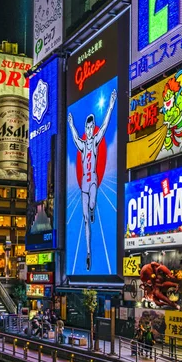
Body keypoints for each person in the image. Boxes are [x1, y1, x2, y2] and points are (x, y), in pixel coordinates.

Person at [67, 89, 117, 270]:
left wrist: (111, 106)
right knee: (86, 219)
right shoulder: (81, 144)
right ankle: (88, 253)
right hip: (83, 187)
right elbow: (73, 137)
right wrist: (72, 124)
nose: (88, 130)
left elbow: (105, 125)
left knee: (92, 205)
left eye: (90, 127)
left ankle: (93, 208)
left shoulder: (95, 141)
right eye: (87, 128)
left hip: (93, 182)